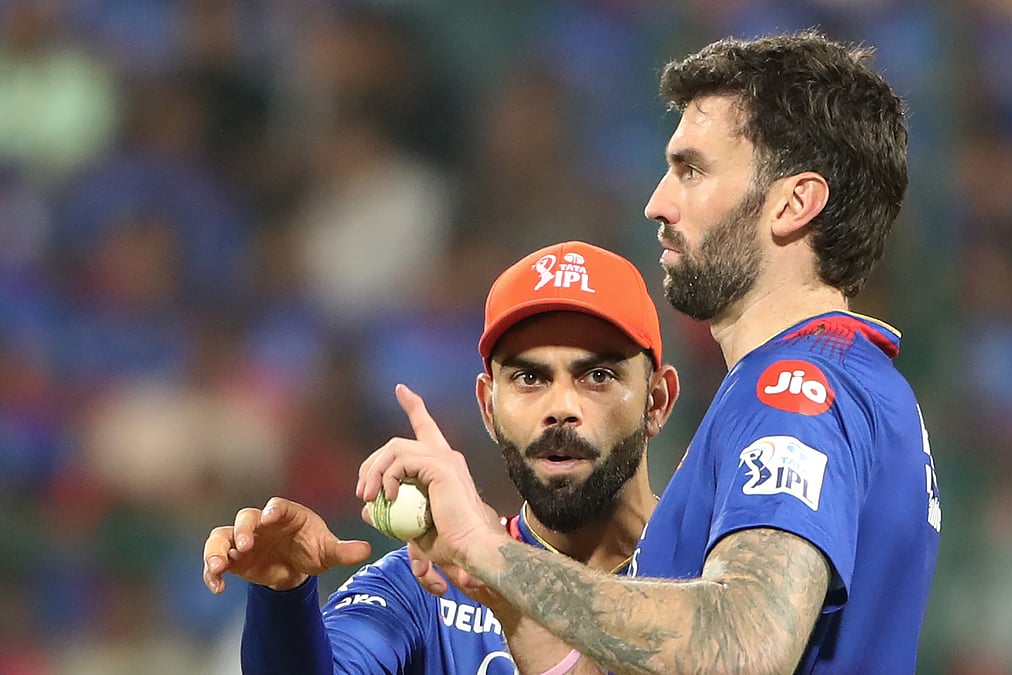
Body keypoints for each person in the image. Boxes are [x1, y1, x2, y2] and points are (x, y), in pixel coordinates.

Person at [359, 29, 941, 674]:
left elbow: (744, 645)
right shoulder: (847, 380)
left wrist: (492, 552)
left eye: (692, 170)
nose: (657, 203)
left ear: (793, 203)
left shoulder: (793, 387)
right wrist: (486, 575)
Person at [202, 240, 681, 674]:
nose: (560, 408)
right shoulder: (426, 586)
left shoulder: (713, 573)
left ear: (656, 401)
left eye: (597, 376)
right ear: (488, 409)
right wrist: (284, 598)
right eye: (529, 378)